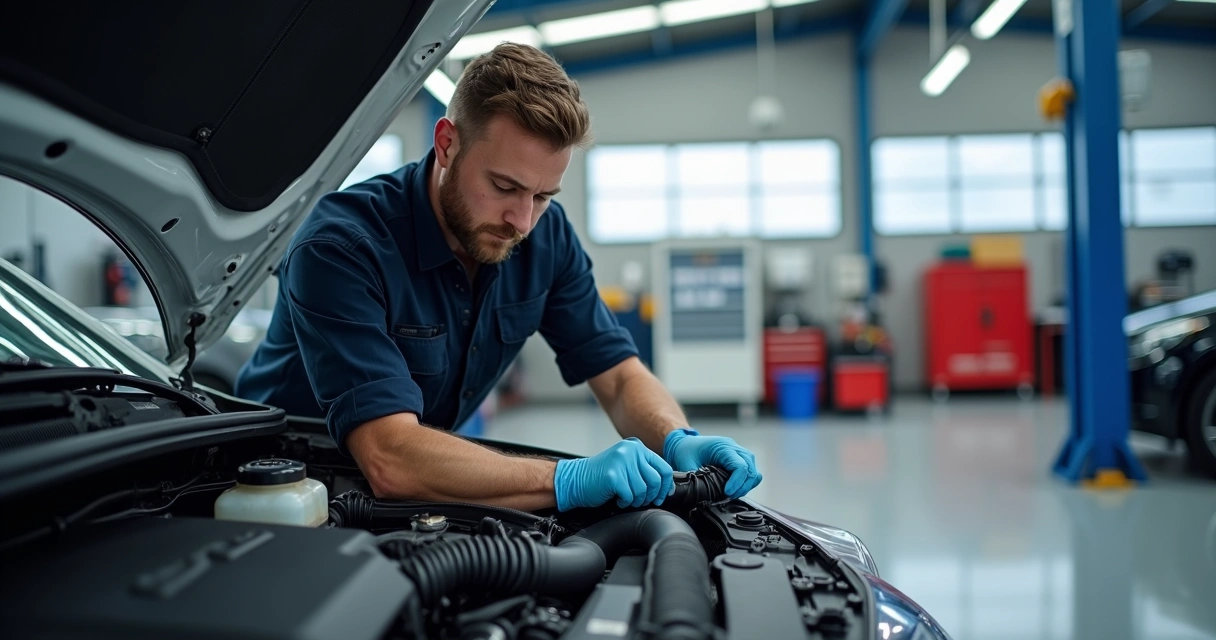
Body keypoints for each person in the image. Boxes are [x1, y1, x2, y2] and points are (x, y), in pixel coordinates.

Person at [234, 43, 762, 512]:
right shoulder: (342, 246)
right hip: (279, 489)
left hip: (424, 479)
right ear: (447, 144)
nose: (522, 220)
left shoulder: (546, 237)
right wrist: (567, 479)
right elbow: (390, 455)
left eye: (542, 195)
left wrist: (675, 437)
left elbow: (619, 376)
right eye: (505, 186)